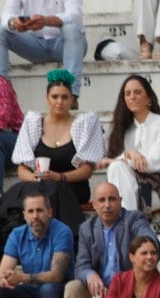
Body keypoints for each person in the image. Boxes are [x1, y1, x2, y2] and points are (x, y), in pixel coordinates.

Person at [0, 0, 87, 98]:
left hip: (64, 44)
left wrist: (46, 21)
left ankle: (71, 93)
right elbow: (7, 14)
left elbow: (75, 15)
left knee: (71, 28)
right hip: (34, 45)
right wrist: (15, 23)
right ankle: (2, 93)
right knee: (1, 30)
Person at [12, 70, 101, 219]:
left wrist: (60, 177)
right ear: (47, 98)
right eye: (54, 97)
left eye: (64, 97)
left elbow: (87, 170)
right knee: (20, 194)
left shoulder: (82, 124)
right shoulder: (34, 123)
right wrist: (34, 177)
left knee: (49, 192)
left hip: (71, 187)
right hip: (40, 187)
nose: (59, 102)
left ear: (72, 99)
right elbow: (21, 169)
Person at [0, 189, 72, 298]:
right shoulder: (17, 234)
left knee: (48, 289)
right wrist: (5, 277)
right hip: (30, 293)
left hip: (60, 292)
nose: (35, 216)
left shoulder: (62, 231)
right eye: (30, 212)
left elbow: (56, 275)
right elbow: (4, 270)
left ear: (50, 212)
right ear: (24, 215)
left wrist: (22, 277)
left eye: (40, 211)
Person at [99, 74, 160, 214]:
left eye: (138, 92)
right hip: (134, 185)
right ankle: (130, 224)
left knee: (117, 167)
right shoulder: (126, 129)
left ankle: (127, 225)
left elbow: (154, 163)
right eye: (128, 94)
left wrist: (128, 156)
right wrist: (127, 157)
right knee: (115, 168)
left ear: (148, 98)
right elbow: (122, 165)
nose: (132, 97)